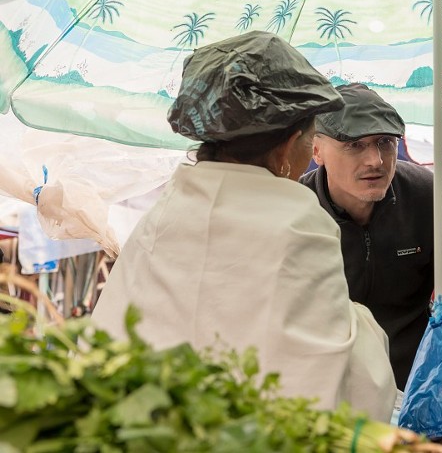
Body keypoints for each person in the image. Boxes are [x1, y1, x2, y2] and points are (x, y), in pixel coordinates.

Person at [91, 31, 397, 421]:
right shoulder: (299, 223)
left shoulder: (163, 214)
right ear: (289, 145)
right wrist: (363, 323)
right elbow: (339, 379)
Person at [301, 83, 442, 443]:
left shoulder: (429, 195)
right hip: (333, 402)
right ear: (317, 150)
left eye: (385, 142)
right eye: (354, 144)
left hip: (422, 395)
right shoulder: (298, 212)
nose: (375, 160)